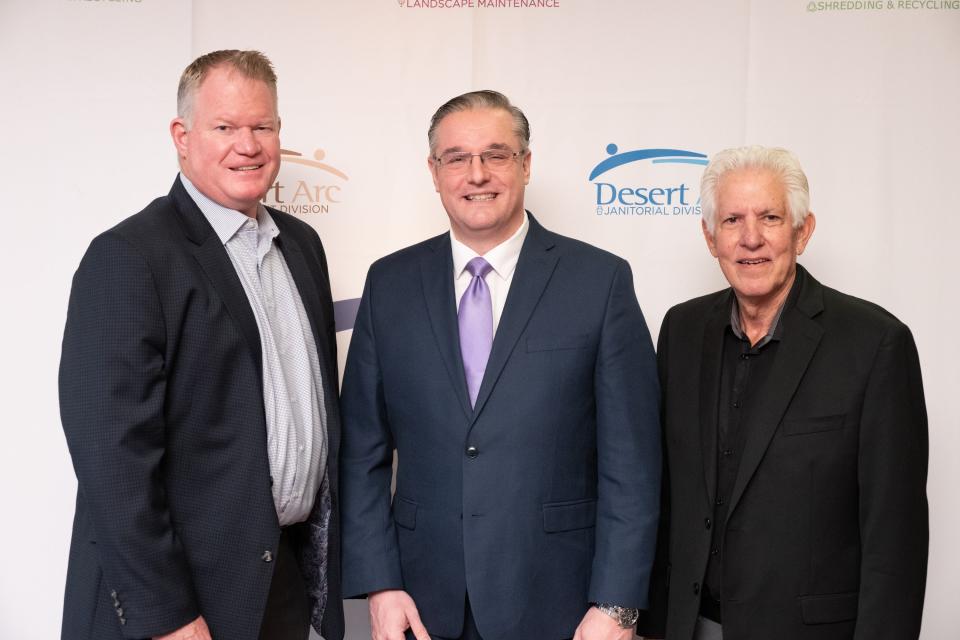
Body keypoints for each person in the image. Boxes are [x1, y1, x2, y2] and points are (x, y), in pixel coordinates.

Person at [338, 90, 662, 640]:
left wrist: (617, 606)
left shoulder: (599, 282)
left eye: (496, 154)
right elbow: (361, 452)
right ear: (434, 172)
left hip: (561, 604)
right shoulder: (389, 283)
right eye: (457, 158)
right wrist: (379, 584)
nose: (477, 174)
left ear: (526, 164)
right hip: (419, 602)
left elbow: (631, 464)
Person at [59, 50, 343, 640]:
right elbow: (113, 464)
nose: (249, 144)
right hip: (181, 603)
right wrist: (168, 617)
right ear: (182, 137)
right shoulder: (130, 257)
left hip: (277, 584)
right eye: (225, 127)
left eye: (262, 127)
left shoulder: (301, 245)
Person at [640, 146, 928, 640]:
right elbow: (663, 495)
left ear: (803, 230)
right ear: (710, 238)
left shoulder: (875, 343)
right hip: (688, 625)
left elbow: (894, 538)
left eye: (770, 217)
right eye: (732, 220)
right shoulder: (681, 330)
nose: (751, 238)